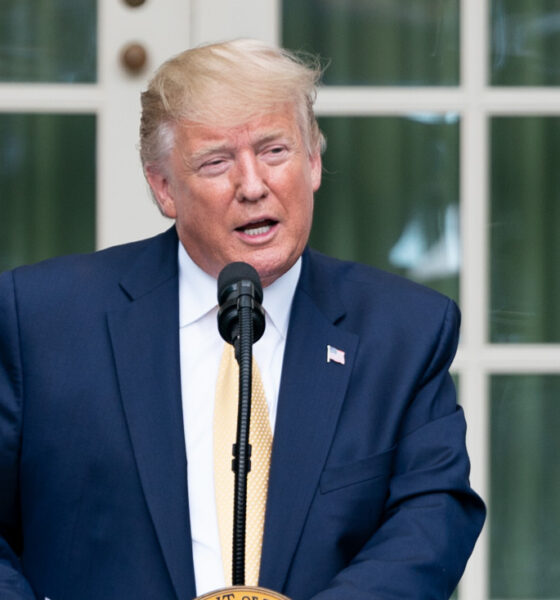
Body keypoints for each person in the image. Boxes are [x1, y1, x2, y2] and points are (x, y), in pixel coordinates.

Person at [0, 39, 485, 600]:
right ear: (164, 189)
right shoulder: (41, 320)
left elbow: (432, 515)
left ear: (313, 162)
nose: (253, 186)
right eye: (216, 162)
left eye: (275, 151)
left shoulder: (403, 332)